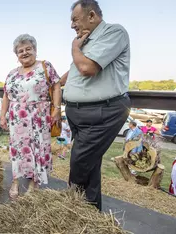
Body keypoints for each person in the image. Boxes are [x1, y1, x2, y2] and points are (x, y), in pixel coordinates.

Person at [62, 0, 131, 210]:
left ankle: (70, 209)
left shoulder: (114, 32)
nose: (72, 25)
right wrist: (54, 82)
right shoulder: (87, 41)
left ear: (91, 16)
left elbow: (86, 68)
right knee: (90, 167)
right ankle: (90, 216)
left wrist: (74, 48)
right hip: (81, 114)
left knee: (79, 165)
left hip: (101, 112)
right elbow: (74, 71)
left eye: (75, 19)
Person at [0, 33, 62, 199]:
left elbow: (56, 86)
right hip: (17, 118)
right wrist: (2, 115)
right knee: (18, 149)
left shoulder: (45, 66)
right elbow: (6, 95)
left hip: (39, 115)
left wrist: (56, 108)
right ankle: (15, 179)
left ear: (35, 50)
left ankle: (35, 181)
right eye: (20, 50)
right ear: (16, 55)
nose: (25, 52)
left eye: (28, 49)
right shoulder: (12, 73)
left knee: (37, 147)